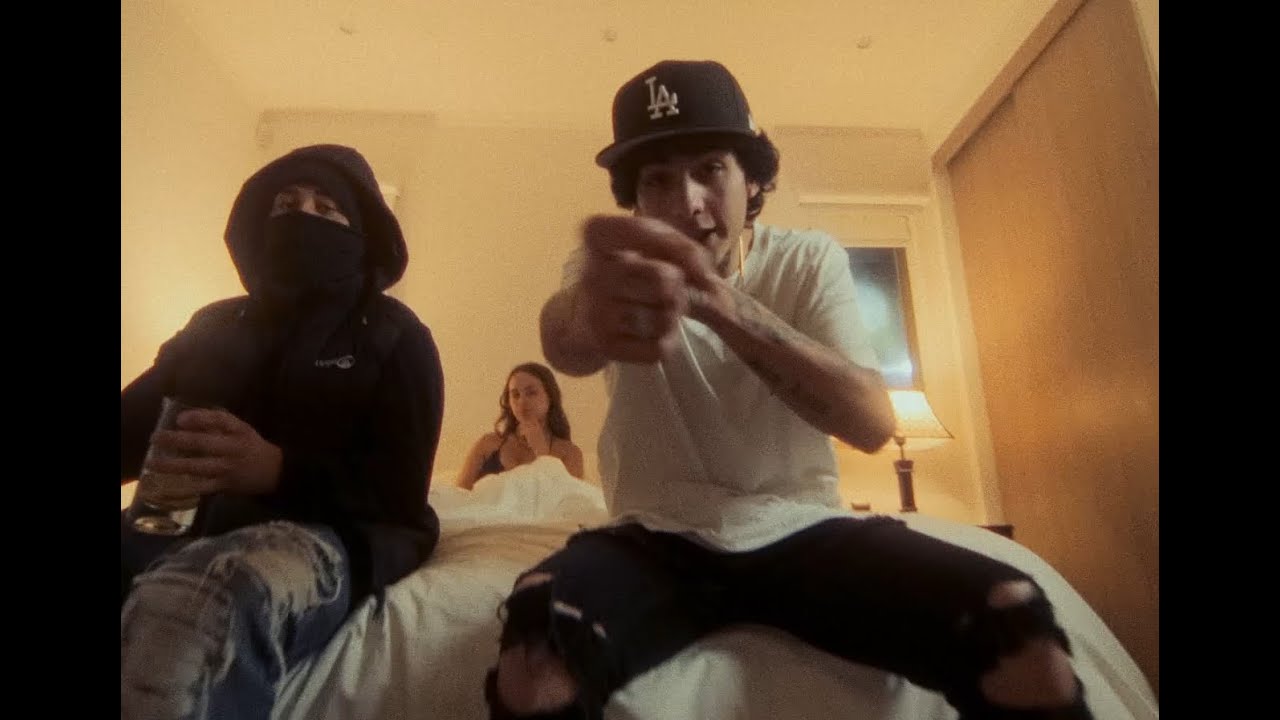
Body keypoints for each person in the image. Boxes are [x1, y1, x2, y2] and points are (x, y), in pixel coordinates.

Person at [482, 60, 1093, 720]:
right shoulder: (612, 273)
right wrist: (591, 316)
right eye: (657, 179)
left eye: (710, 169)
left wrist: (722, 306)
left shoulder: (808, 260)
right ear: (635, 197)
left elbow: (870, 423)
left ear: (752, 178)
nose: (688, 202)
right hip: (653, 536)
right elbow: (564, 339)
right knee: (536, 646)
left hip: (805, 528)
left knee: (1014, 623)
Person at [120, 144, 446, 720]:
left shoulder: (395, 335)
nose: (303, 217)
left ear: (361, 233)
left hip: (329, 534)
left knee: (198, 601)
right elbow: (133, 425)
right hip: (178, 519)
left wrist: (277, 470)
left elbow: (400, 489)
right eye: (286, 204)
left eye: (326, 208)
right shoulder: (214, 325)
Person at [455, 362, 586, 489]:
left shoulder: (570, 453)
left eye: (531, 393)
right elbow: (459, 495)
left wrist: (541, 451)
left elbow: (567, 500)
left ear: (550, 396)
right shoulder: (488, 444)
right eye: (515, 395)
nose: (522, 401)